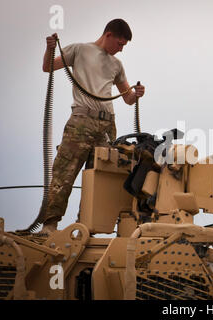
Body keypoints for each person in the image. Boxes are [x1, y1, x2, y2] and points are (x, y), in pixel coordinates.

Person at [40, 19, 145, 235]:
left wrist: (137, 94)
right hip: (82, 120)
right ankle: (50, 225)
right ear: (108, 35)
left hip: (107, 125)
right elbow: (48, 67)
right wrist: (49, 49)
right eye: (119, 43)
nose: (121, 49)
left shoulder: (116, 65)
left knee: (99, 178)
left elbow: (127, 98)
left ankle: (86, 229)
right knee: (64, 172)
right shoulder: (80, 50)